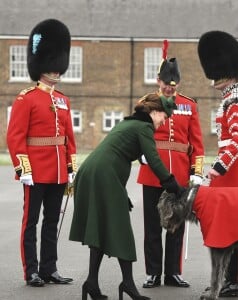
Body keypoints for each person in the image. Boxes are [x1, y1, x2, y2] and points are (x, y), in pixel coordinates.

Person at [69, 93, 183, 300]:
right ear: (154, 112)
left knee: (100, 228)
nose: (164, 122)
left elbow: (114, 155)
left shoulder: (129, 124)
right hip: (103, 176)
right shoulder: (144, 127)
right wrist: (172, 184)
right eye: (163, 117)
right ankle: (127, 284)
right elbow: (153, 159)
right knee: (122, 231)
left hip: (93, 173)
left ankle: (91, 283)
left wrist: (121, 192)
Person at [6, 19, 77, 287]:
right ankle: (31, 271)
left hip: (58, 171)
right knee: (31, 224)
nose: (56, 70)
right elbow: (15, 137)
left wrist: (70, 168)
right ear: (41, 66)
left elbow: (69, 138)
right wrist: (23, 168)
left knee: (51, 224)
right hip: (35, 171)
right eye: (52, 64)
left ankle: (50, 268)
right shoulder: (27, 98)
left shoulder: (63, 100)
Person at [197, 30, 238, 297]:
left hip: (235, 176)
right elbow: (229, 142)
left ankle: (236, 281)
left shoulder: (235, 100)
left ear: (227, 73)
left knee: (235, 231)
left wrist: (218, 168)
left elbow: (237, 141)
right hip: (232, 175)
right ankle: (232, 278)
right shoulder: (230, 99)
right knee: (232, 230)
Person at [137, 40, 205, 289]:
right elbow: (136, 133)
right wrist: (140, 155)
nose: (169, 89)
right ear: (159, 81)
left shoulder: (190, 105)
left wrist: (196, 172)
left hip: (179, 173)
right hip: (153, 172)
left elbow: (197, 143)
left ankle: (173, 272)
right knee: (153, 226)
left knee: (176, 225)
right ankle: (153, 273)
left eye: (173, 86)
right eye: (166, 85)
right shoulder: (146, 103)